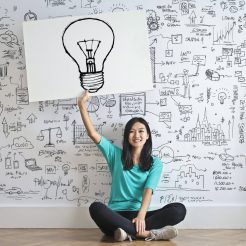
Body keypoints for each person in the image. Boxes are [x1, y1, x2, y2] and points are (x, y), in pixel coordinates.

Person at [78, 90, 186, 242]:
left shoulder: (156, 163)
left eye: (141, 131)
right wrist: (81, 105)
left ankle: (126, 232)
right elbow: (92, 134)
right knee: (96, 208)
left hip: (141, 215)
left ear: (148, 135)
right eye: (132, 132)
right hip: (115, 215)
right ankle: (148, 234)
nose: (137, 135)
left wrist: (141, 215)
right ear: (126, 137)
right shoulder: (114, 154)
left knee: (179, 210)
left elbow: (148, 191)